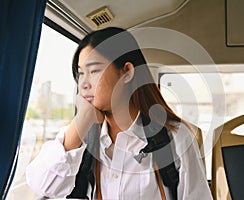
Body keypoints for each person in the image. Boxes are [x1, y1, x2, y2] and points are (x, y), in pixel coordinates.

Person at [26, 27, 212, 200]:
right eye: (81, 73)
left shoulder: (174, 137)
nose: (83, 83)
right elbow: (44, 186)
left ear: (127, 72)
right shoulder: (78, 136)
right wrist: (82, 120)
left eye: (94, 71)